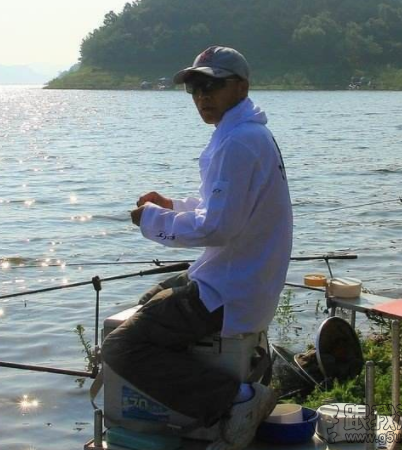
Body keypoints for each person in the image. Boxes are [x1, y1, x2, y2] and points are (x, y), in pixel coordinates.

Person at [102, 46, 293, 450]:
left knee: (120, 345)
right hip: (238, 275)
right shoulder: (245, 133)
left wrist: (153, 221)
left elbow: (219, 227)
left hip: (232, 286)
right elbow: (220, 208)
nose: (202, 96)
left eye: (211, 85)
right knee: (147, 302)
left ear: (240, 87)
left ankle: (234, 400)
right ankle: (194, 406)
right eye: (194, 88)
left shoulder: (239, 142)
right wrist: (171, 206)